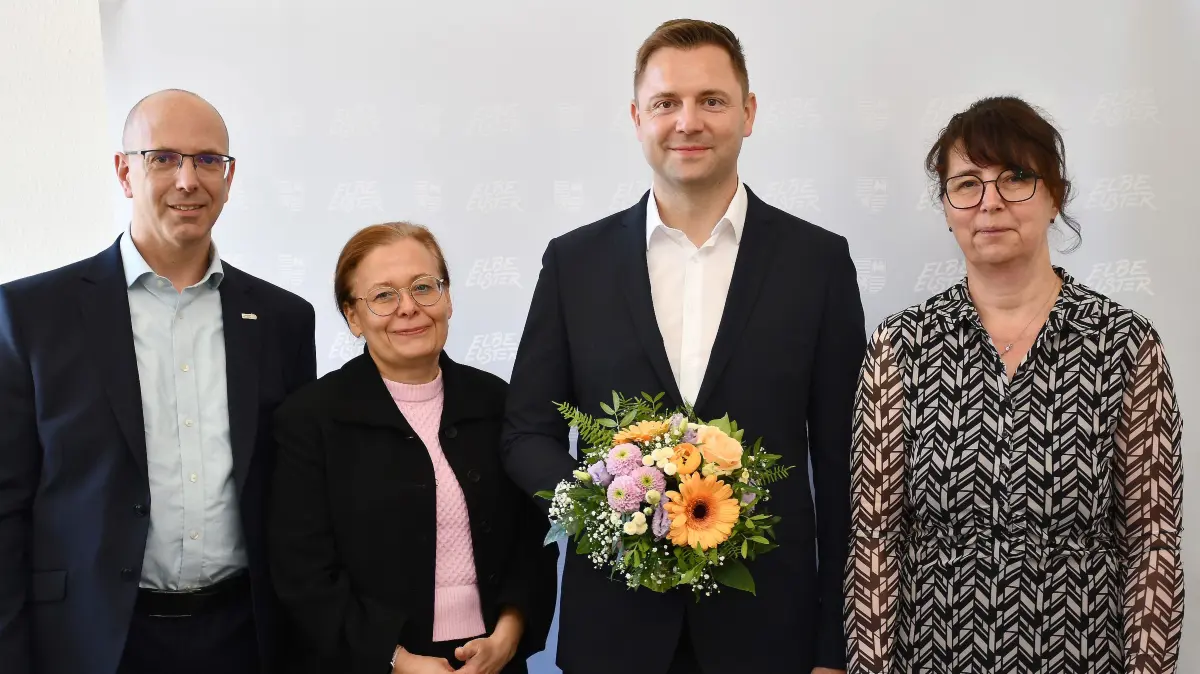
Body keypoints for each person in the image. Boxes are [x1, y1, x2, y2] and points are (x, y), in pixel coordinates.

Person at [501, 18, 862, 674]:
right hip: (614, 628)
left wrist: (834, 647)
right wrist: (605, 510)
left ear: (748, 114)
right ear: (638, 117)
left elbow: (843, 465)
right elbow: (526, 432)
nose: (688, 122)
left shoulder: (818, 263)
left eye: (712, 101)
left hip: (768, 634)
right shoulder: (574, 264)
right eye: (667, 103)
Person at [845, 95, 1185, 673]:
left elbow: (1153, 542)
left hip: (1080, 656)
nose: (990, 203)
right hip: (932, 656)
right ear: (948, 206)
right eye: (967, 184)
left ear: (1056, 195)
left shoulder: (1123, 342)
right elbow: (875, 538)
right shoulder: (900, 345)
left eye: (1016, 178)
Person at [0, 89, 317, 674]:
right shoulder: (31, 316)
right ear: (124, 171)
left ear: (229, 175)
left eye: (207, 160)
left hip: (246, 636)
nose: (188, 180)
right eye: (163, 158)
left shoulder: (282, 320)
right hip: (92, 641)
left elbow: (297, 495)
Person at [267, 222, 558, 674]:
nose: (409, 309)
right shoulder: (311, 418)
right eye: (383, 295)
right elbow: (303, 571)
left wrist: (508, 635)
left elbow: (533, 540)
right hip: (368, 660)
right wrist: (396, 659)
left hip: (490, 659)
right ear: (352, 317)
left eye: (424, 288)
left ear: (447, 298)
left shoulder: (497, 402)